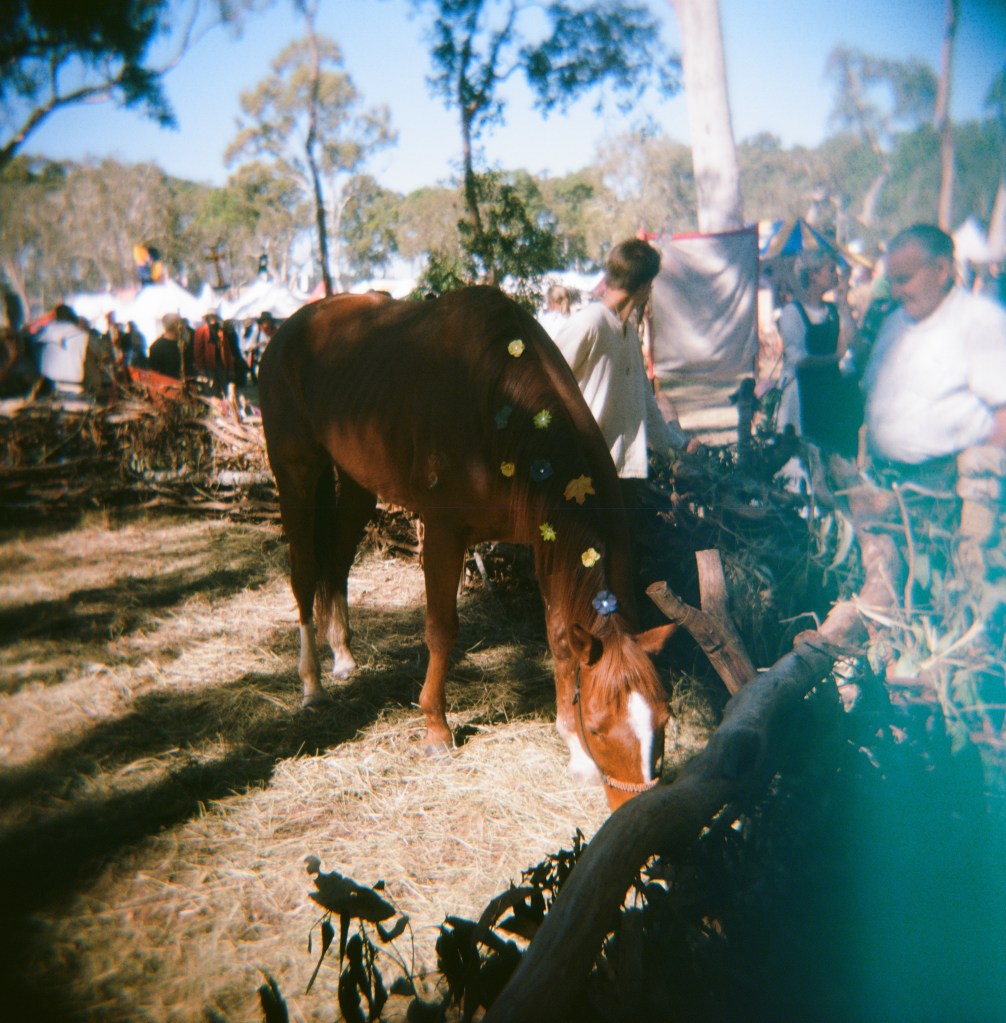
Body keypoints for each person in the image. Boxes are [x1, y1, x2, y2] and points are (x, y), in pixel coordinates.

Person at [862, 223, 1006, 483]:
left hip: (948, 487)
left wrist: (985, 475)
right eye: (891, 282)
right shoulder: (893, 323)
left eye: (904, 280)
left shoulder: (980, 321)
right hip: (886, 480)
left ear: (941, 270)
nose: (895, 292)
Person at [552, 238, 691, 485]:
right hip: (584, 471)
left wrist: (679, 446)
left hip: (622, 473)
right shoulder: (590, 322)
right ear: (644, 287)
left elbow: (646, 406)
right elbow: (546, 382)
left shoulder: (628, 333)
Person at [775, 249, 860, 459]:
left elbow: (852, 343)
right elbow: (797, 360)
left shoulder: (832, 310)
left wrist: (843, 304)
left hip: (832, 391)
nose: (835, 275)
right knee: (811, 452)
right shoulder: (793, 312)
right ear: (813, 275)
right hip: (805, 393)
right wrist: (834, 358)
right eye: (830, 270)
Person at [32, 303, 89, 395]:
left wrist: (44, 320)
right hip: (75, 383)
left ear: (56, 316)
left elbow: (32, 333)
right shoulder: (83, 335)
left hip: (53, 385)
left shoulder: (51, 329)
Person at [193, 308, 236, 398]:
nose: (213, 319)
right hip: (208, 366)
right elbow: (198, 351)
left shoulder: (221, 331)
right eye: (211, 316)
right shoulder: (201, 331)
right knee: (211, 390)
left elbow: (227, 351)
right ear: (207, 317)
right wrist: (201, 368)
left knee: (225, 389)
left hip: (221, 365)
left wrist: (230, 367)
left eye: (214, 316)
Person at [147, 312, 193, 380]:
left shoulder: (184, 344)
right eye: (181, 323)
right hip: (167, 385)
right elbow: (154, 374)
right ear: (176, 325)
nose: (184, 326)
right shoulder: (157, 347)